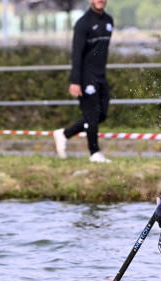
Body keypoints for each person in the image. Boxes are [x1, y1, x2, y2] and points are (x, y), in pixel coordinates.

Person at [53, 0, 113, 164]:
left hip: (101, 76)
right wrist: (75, 81)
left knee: (102, 114)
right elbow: (76, 54)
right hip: (86, 76)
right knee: (92, 114)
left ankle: (65, 134)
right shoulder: (83, 23)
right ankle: (94, 153)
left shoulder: (109, 21)